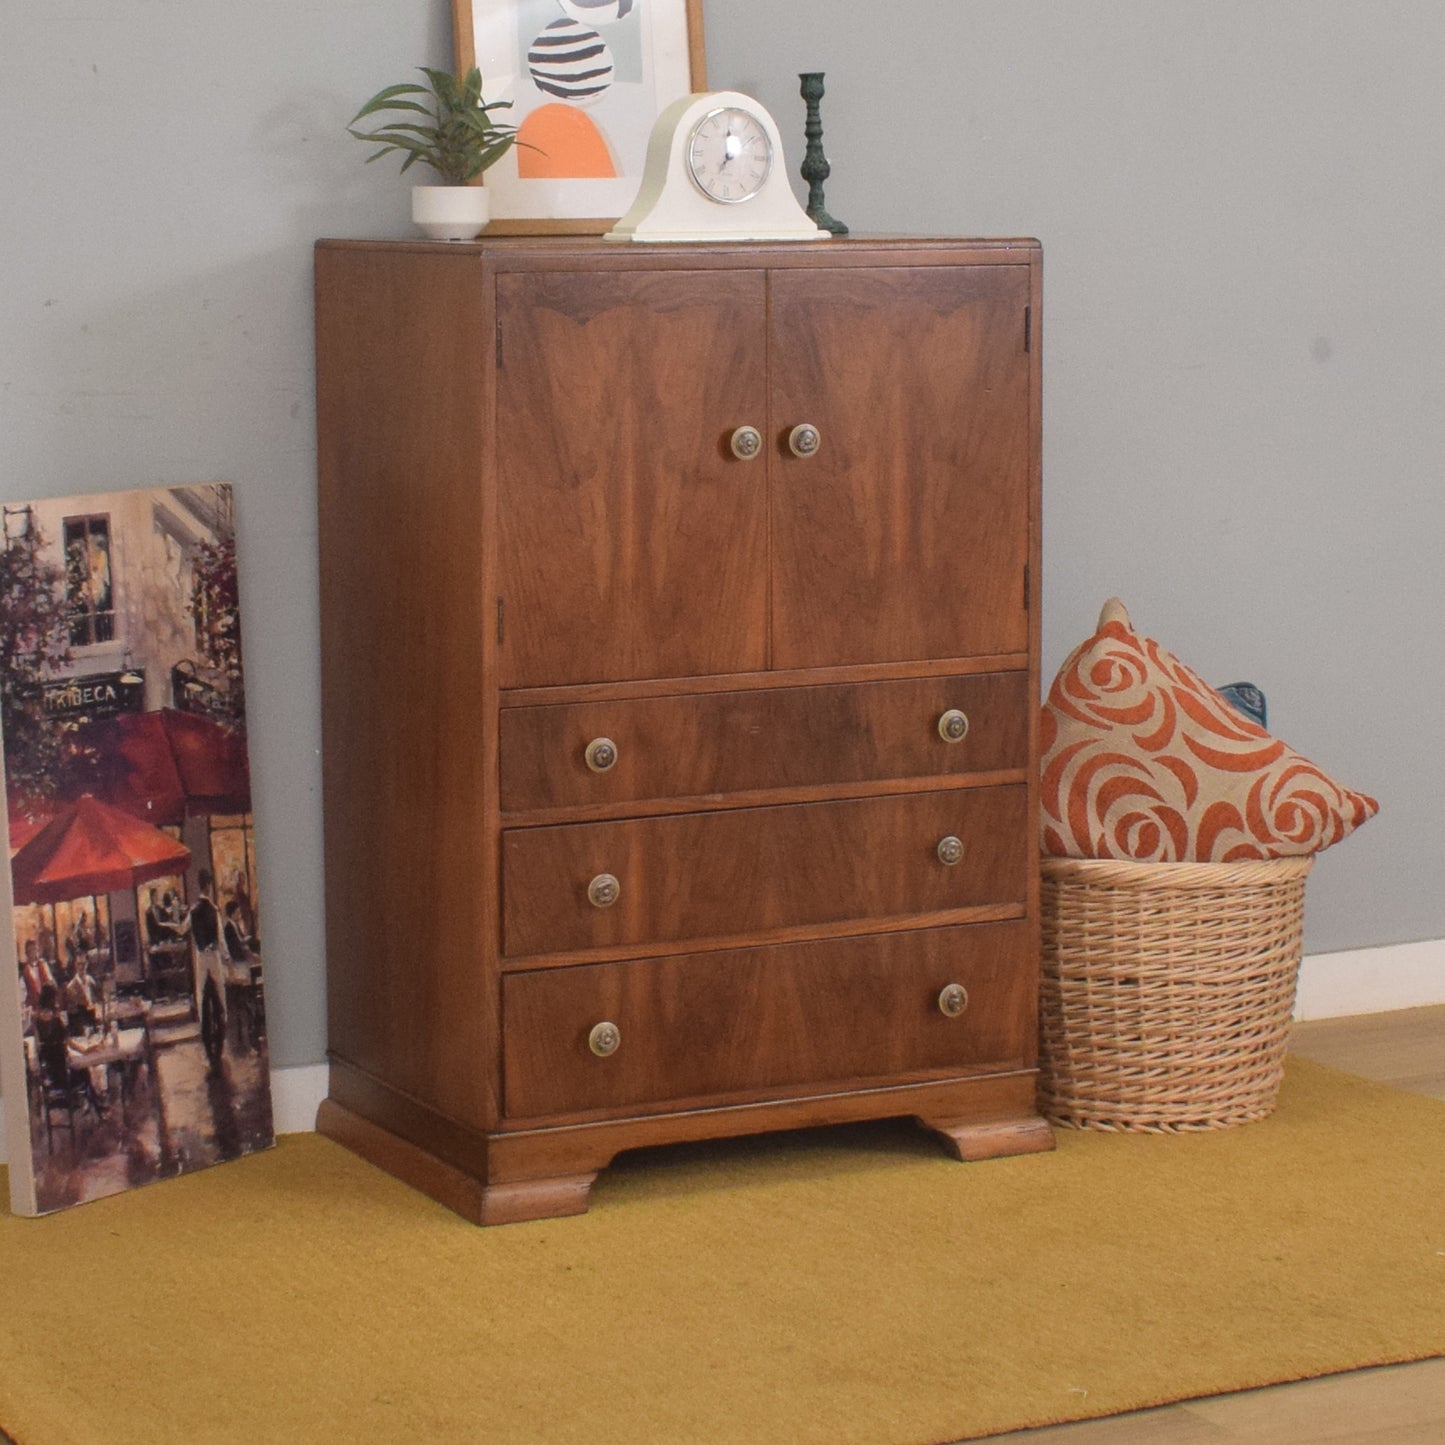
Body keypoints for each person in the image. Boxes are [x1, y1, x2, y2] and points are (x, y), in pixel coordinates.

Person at [176, 870, 231, 1070]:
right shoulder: (214, 910)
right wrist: (228, 960)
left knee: (202, 1001)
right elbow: (221, 940)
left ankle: (208, 1049)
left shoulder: (192, 911)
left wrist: (178, 918)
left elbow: (182, 929)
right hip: (214, 959)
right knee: (221, 1000)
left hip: (200, 961)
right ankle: (219, 1049)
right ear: (208, 885)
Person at [20, 939, 56, 1009]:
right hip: (33, 1006)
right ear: (26, 953)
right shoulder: (24, 973)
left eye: (35, 950)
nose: (34, 952)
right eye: (31, 950)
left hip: (46, 1004)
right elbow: (23, 995)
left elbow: (51, 982)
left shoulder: (43, 964)